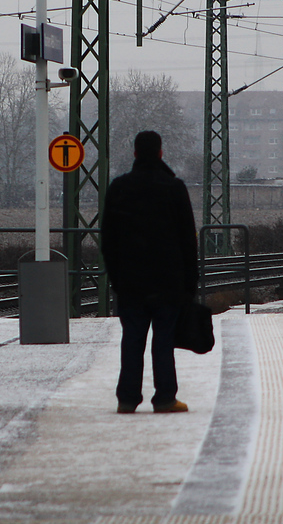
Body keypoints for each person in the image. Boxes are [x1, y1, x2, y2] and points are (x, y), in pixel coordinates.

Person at [101, 130, 198, 414]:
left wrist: (116, 278)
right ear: (160, 153)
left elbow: (108, 238)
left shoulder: (119, 187)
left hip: (131, 282)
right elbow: (187, 241)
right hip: (168, 281)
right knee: (164, 340)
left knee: (132, 339)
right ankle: (165, 397)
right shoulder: (174, 188)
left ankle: (127, 398)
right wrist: (189, 283)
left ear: (134, 154)